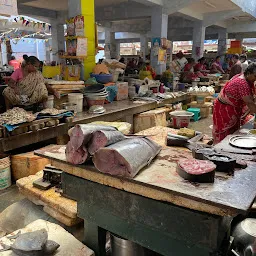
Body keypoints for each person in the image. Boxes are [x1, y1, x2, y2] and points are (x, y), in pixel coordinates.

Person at [213, 63, 256, 144]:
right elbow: (250, 103)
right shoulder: (242, 83)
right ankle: (219, 149)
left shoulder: (246, 78)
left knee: (232, 131)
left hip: (232, 108)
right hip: (224, 109)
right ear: (249, 73)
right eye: (255, 76)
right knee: (224, 132)